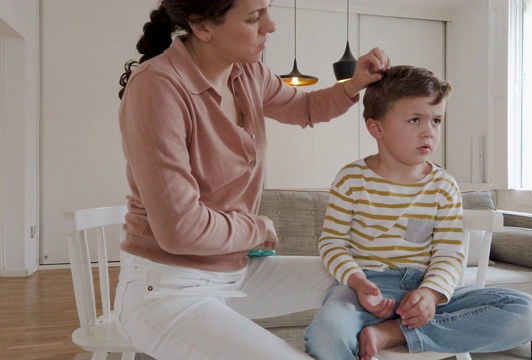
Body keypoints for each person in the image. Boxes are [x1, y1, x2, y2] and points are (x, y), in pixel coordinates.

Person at [113, 0, 391, 359]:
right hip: (167, 291)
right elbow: (179, 229)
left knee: (368, 279)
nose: (270, 26)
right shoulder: (158, 87)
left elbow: (304, 107)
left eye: (268, 10)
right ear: (202, 27)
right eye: (253, 18)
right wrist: (258, 228)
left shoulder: (248, 74)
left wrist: (354, 84)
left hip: (235, 274)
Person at [304, 65, 532, 360]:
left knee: (526, 313)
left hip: (425, 288)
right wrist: (357, 281)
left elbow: (448, 253)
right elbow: (332, 243)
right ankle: (394, 329)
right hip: (362, 290)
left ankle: (394, 333)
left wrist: (430, 293)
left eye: (437, 120)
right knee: (326, 336)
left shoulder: (443, 186)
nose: (429, 131)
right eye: (415, 119)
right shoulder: (351, 179)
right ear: (376, 128)